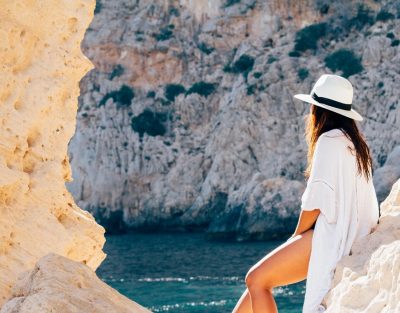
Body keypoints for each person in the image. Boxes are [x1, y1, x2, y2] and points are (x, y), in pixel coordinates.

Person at [232, 74, 380, 313]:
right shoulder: (356, 145)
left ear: (318, 110)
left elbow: (315, 202)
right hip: (351, 236)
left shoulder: (328, 141)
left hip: (329, 237)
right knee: (256, 283)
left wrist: (295, 235)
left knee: (255, 280)